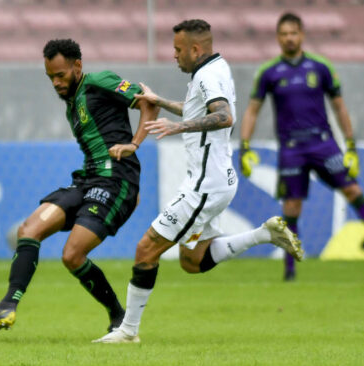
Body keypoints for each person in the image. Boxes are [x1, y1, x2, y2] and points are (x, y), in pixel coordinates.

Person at [93, 19, 304, 344]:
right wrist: (161, 101)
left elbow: (224, 116)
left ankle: (128, 332)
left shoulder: (209, 75)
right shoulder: (213, 70)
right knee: (192, 261)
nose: (174, 55)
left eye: (178, 49)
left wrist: (178, 128)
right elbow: (198, 109)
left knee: (146, 249)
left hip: (205, 186)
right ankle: (264, 234)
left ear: (195, 48)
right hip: (215, 180)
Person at [0, 38, 159, 334]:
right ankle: (8, 304)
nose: (55, 82)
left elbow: (148, 102)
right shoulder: (72, 102)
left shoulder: (100, 81)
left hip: (116, 180)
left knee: (71, 256)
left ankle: (118, 315)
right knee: (28, 231)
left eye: (60, 75)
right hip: (87, 179)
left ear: (78, 66)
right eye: (50, 77)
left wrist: (134, 144)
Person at [239, 12, 364, 281]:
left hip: (323, 145)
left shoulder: (320, 67)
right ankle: (289, 270)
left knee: (353, 190)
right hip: (291, 149)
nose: (289, 38)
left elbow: (339, 106)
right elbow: (253, 110)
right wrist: (245, 145)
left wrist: (351, 144)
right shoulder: (269, 72)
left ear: (302, 35)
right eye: (284, 34)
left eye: (293, 33)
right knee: (291, 208)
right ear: (277, 38)